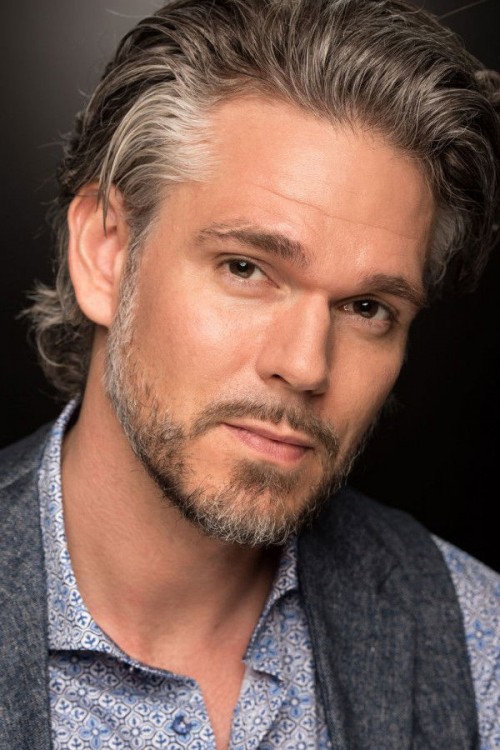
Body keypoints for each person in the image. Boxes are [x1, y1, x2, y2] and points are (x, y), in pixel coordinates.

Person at [0, 0, 499, 747]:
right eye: (246, 268)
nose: (304, 365)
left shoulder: (472, 641)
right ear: (106, 254)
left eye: (367, 308)